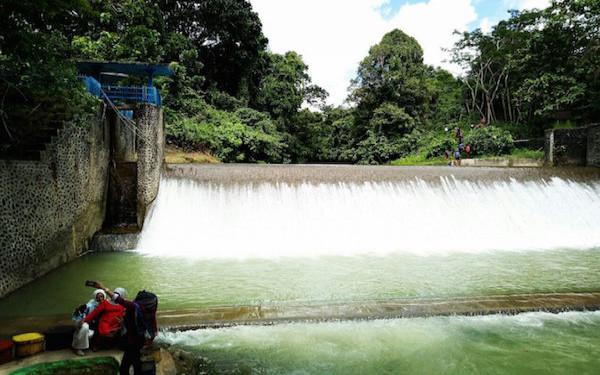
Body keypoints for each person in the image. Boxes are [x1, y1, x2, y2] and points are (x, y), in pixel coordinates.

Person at [91, 282, 158, 375]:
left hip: (133, 341)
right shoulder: (150, 310)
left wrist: (103, 288)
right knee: (136, 363)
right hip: (141, 340)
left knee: (124, 368)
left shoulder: (136, 307)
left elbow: (119, 300)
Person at [72, 289, 105, 356]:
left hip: (96, 325)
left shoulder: (106, 304)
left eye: (102, 296)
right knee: (85, 327)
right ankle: (78, 348)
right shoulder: (90, 305)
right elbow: (81, 313)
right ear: (95, 297)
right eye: (98, 297)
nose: (100, 298)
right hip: (86, 322)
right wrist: (78, 311)